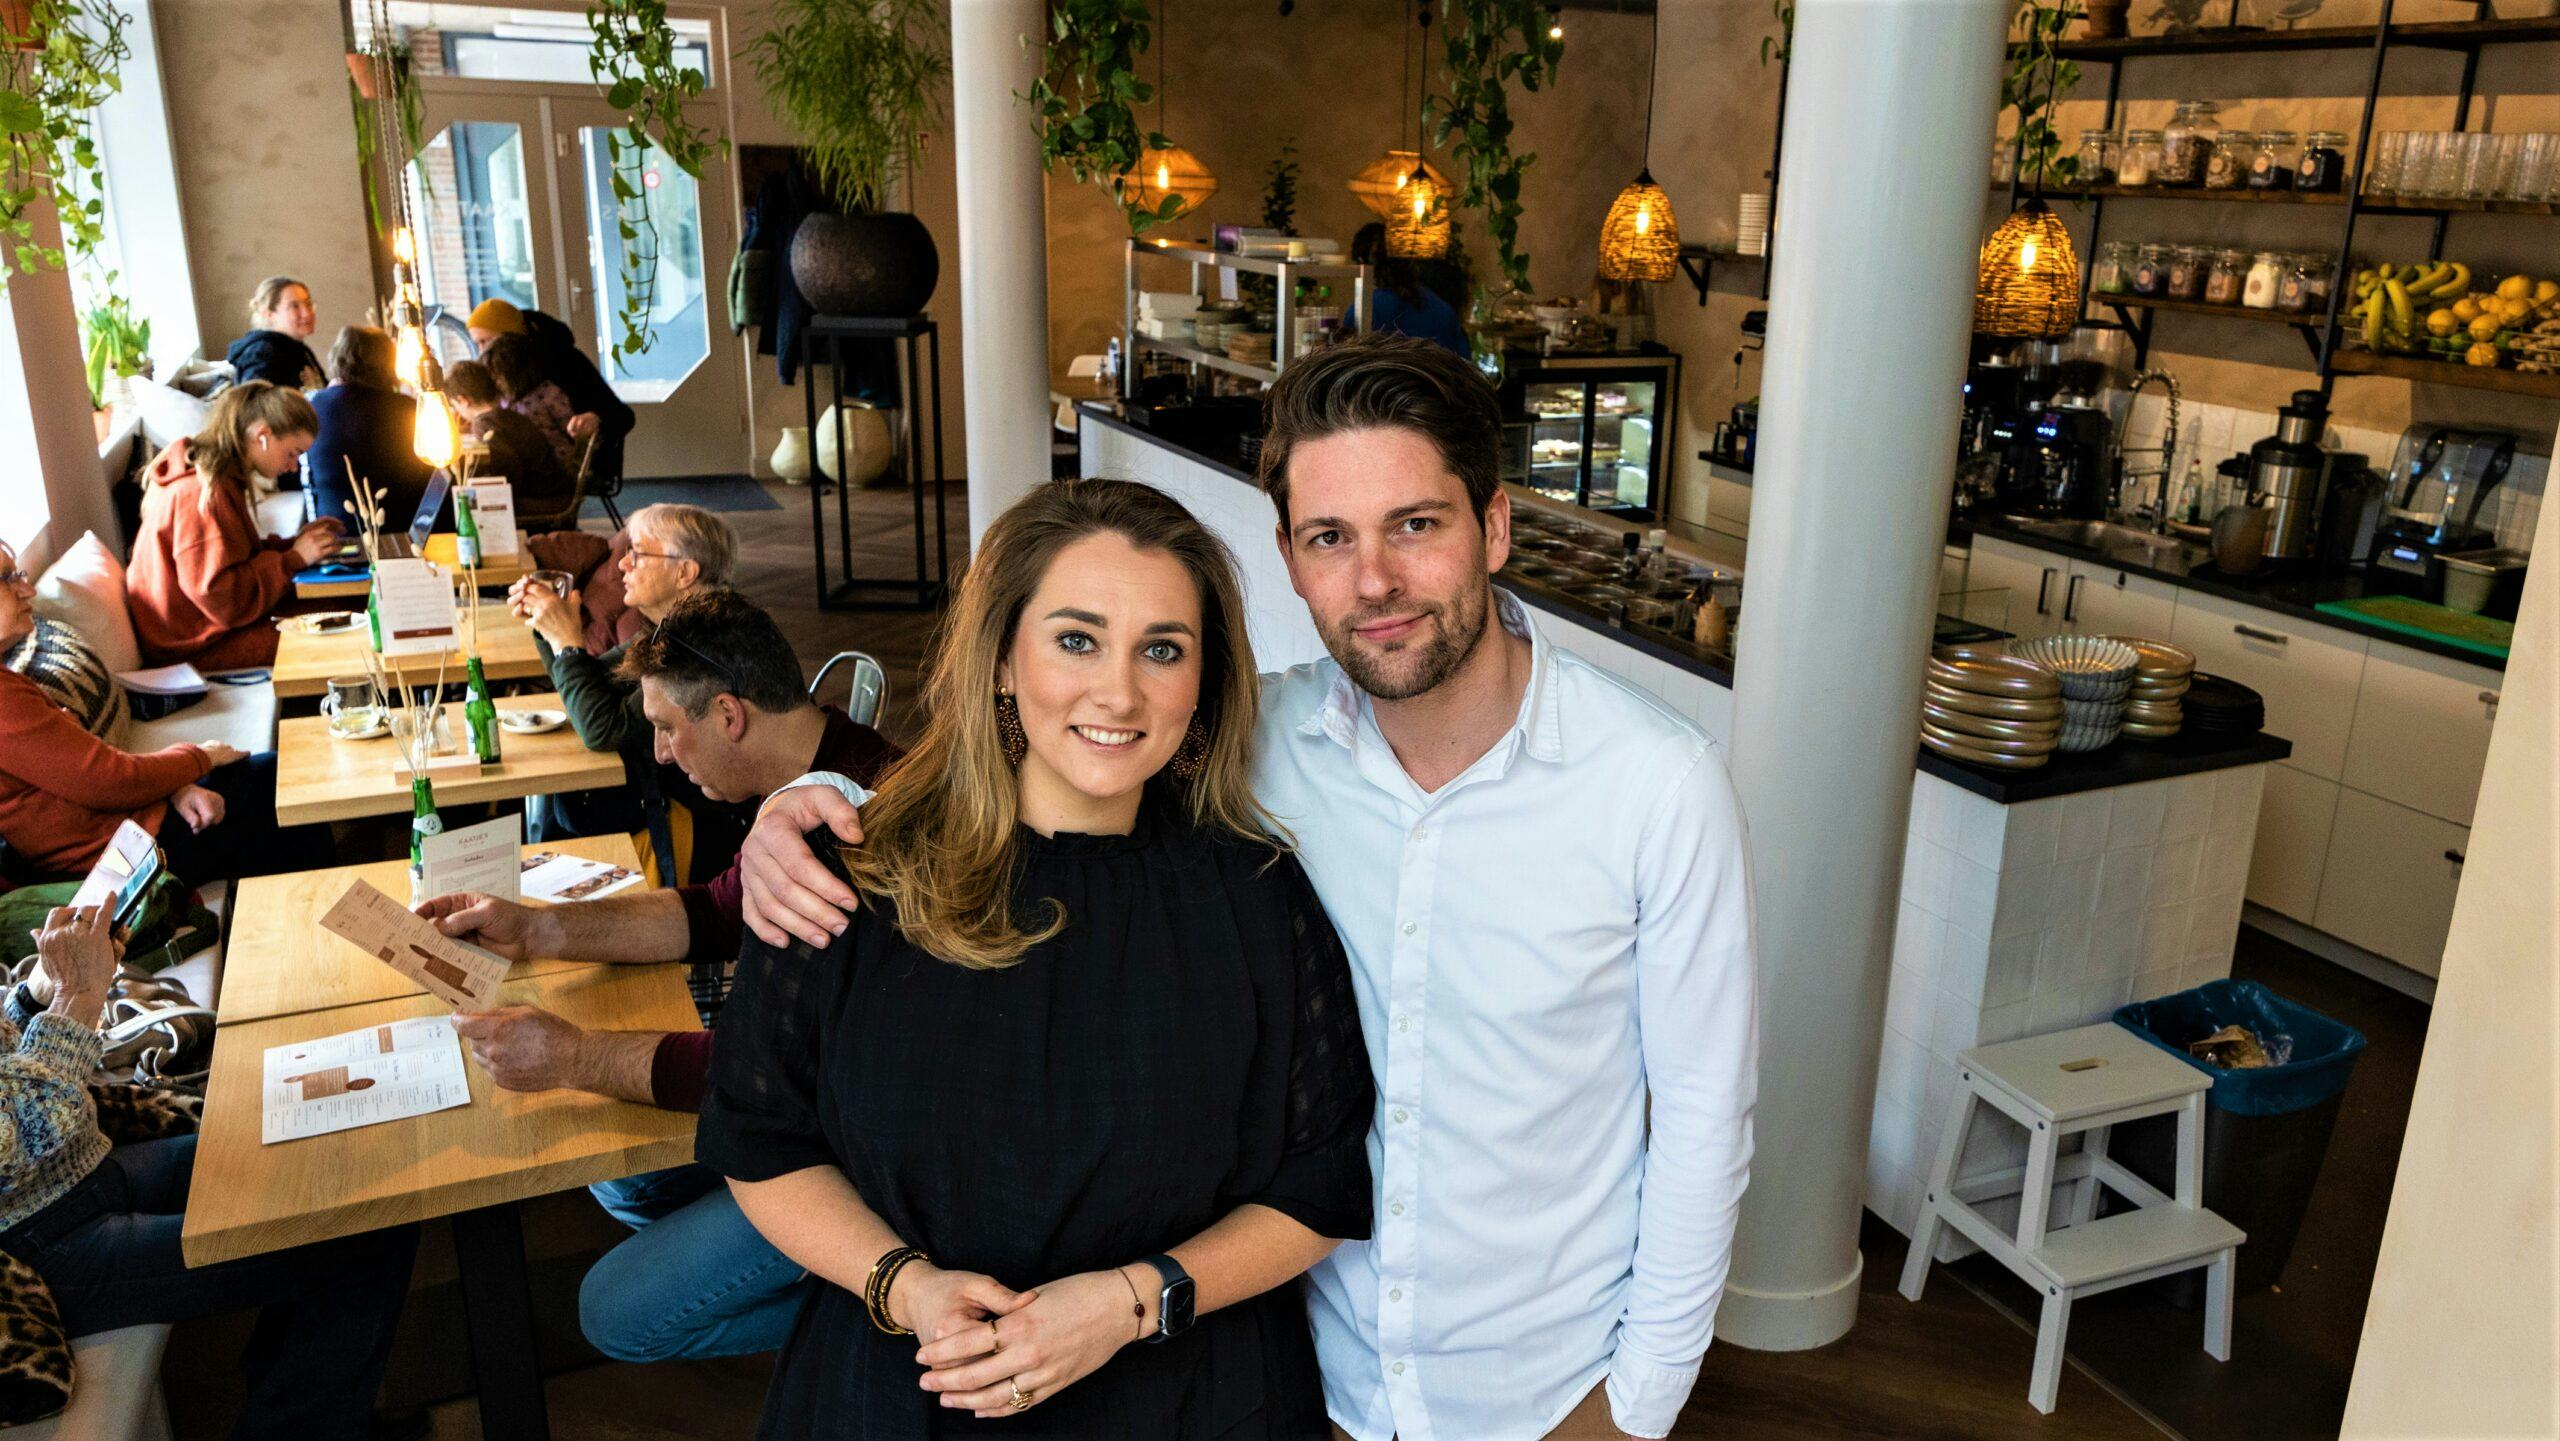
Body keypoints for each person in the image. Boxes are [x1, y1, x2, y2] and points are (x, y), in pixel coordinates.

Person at [739, 334, 1760, 1441]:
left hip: (1540, 1390)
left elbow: (1706, 1124)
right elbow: (1059, 755)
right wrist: (812, 800)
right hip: (1308, 1373)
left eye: (1415, 525)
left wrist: (1637, 1405)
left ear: (1495, 526)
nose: (1374, 579)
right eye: (1332, 537)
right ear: (1288, 555)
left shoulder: (1656, 784)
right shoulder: (1255, 741)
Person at [693, 478, 1374, 1437]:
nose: (1120, 690)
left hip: (1189, 1401)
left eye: (1163, 650)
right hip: (912, 1392)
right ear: (1004, 659)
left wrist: (1135, 1303)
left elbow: (1321, 1186)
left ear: (1204, 680)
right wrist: (906, 1286)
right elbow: (761, 1143)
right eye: (1076, 638)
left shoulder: (1260, 898)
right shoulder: (847, 879)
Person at [415, 588, 899, 1364]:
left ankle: (879, 1305)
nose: (663, 752)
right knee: (625, 1181)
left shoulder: (848, 839)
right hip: (815, 1093)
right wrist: (536, 927)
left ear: (730, 715)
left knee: (615, 1314)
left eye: (669, 728)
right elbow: (712, 910)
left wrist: (574, 1054)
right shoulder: (820, 768)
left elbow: (766, 1074)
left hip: (864, 1155)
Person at [0, 905, 419, 1438]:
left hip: (81, 1169)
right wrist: (76, 999)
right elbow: (15, 1141)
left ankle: (317, 1414)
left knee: (331, 1165)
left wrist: (33, 994)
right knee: (366, 1227)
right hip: (31, 1248)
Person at [0, 541, 326, 882]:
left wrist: (176, 785)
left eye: (18, 574)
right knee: (277, 782)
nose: (27, 589)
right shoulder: (5, 699)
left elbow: (86, 770)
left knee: (271, 781)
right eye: (7, 579)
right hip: (119, 861)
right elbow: (108, 781)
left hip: (126, 830)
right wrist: (199, 757)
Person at [511, 503, 736, 847]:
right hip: (651, 807)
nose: (622, 564)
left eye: (638, 554)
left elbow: (603, 729)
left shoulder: (702, 644)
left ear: (685, 572)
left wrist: (568, 645)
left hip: (700, 833)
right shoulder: (669, 627)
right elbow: (592, 681)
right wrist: (548, 627)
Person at [127, 382, 342, 670]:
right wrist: (293, 559)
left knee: (343, 611)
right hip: (193, 645)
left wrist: (294, 544)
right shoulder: (201, 494)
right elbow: (222, 599)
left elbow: (232, 557)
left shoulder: (217, 477)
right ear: (263, 435)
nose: (293, 466)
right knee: (338, 633)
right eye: (292, 453)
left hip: (208, 628)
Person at [466, 297, 633, 475]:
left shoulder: (565, 362)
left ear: (512, 338)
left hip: (567, 463)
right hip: (522, 461)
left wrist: (596, 418)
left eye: (486, 341)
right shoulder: (492, 367)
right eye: (477, 344)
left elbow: (623, 416)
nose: (482, 351)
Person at [304, 325, 432, 527]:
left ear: (337, 357)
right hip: (402, 529)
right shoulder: (407, 409)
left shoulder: (313, 406)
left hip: (333, 533)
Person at [444, 359, 576, 522]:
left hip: (544, 500)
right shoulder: (507, 415)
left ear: (463, 400)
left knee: (463, 508)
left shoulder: (483, 423)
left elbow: (507, 469)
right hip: (558, 491)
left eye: (454, 405)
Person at [478, 333, 589, 480]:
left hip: (554, 468)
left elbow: (572, 432)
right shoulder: (505, 399)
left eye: (498, 374)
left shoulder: (550, 394)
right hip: (524, 463)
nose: (496, 380)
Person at [1350, 223, 1469, 357]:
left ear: (1362, 263)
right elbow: (1465, 363)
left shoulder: (1365, 307)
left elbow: (1344, 360)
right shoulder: (1442, 308)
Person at [224, 276, 326, 392]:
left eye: (308, 304)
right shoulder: (261, 355)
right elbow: (258, 407)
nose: (307, 313)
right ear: (269, 314)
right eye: (294, 306)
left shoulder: (299, 349)